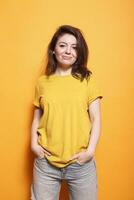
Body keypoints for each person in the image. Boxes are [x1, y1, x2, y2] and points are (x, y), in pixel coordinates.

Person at [30, 25, 103, 200]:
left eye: (74, 47)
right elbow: (37, 117)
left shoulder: (87, 79)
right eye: (63, 45)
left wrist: (90, 151)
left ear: (79, 52)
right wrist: (34, 144)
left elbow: (96, 118)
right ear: (53, 49)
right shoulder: (42, 83)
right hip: (46, 164)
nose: (68, 51)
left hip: (80, 164)